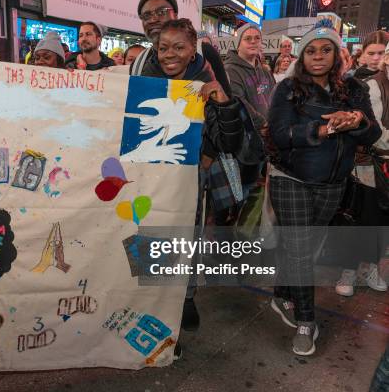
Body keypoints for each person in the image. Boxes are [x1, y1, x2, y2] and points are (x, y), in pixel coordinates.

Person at [267, 21, 381, 356]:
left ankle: (281, 294)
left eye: (326, 49)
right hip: (290, 178)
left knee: (304, 245)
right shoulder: (287, 89)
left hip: (333, 184)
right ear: (302, 56)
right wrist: (323, 129)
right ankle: (306, 321)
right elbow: (279, 135)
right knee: (301, 247)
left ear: (337, 54)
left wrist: (357, 122)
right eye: (311, 50)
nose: (318, 56)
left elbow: (372, 135)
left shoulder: (354, 88)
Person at [153, 18, 246, 357]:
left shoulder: (207, 81)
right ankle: (154, 309)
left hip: (189, 180)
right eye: (164, 48)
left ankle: (183, 303)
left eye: (178, 47)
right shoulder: (145, 80)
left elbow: (231, 140)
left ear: (193, 48)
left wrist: (221, 102)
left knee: (186, 242)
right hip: (150, 180)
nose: (169, 54)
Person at [334, 41, 389, 297]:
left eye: (381, 52)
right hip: (369, 164)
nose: (378, 58)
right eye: (374, 53)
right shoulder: (370, 85)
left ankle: (371, 268)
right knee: (361, 217)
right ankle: (349, 270)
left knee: (381, 222)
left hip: (382, 165)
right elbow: (372, 131)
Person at [224, 23, 275, 195]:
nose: (253, 42)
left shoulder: (264, 71)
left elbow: (274, 96)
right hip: (243, 145)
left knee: (254, 185)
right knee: (240, 190)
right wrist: (263, 123)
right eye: (247, 38)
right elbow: (238, 100)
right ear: (238, 43)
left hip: (263, 141)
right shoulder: (230, 69)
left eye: (257, 38)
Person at [130, 0, 178, 76]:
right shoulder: (138, 64)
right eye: (146, 15)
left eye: (161, 12)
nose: (153, 20)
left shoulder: (202, 53)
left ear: (175, 16)